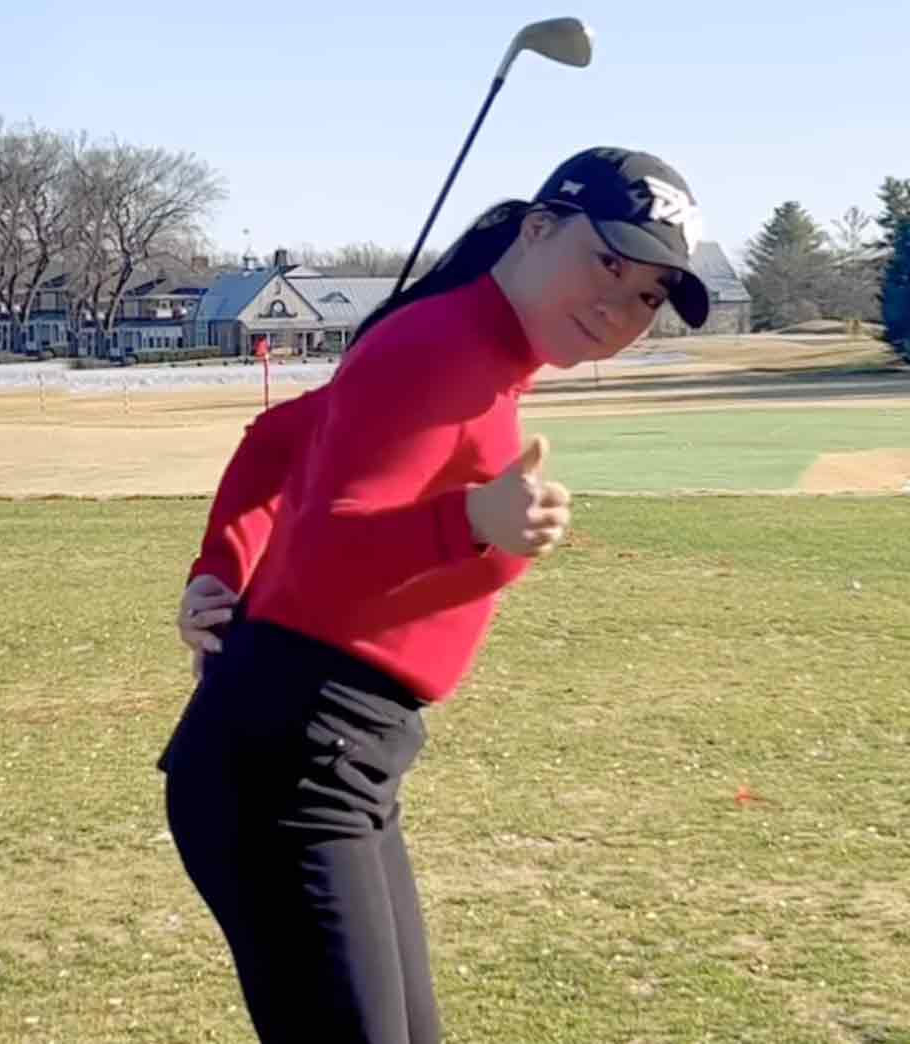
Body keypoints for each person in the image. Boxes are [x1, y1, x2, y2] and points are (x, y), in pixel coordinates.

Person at [157, 146, 710, 1044]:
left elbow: (278, 441)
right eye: (609, 263)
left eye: (650, 295)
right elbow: (326, 552)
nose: (623, 307)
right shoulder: (441, 345)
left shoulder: (481, 358)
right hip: (287, 760)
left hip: (340, 757)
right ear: (538, 229)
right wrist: (472, 520)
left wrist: (219, 568)